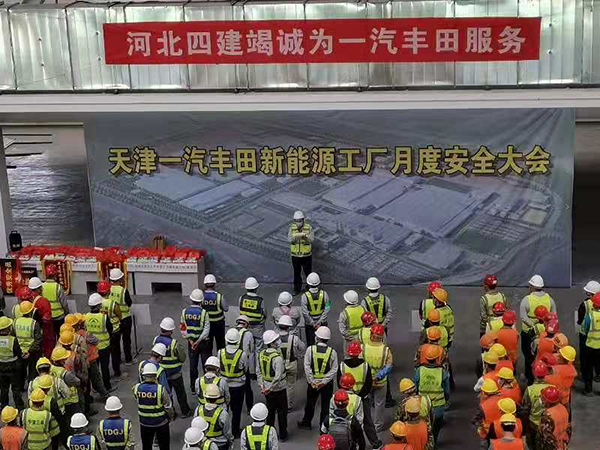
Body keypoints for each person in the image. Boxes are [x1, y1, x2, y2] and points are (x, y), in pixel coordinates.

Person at [338, 341, 381, 450]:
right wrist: (359, 396)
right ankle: (375, 443)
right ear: (359, 353)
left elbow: (340, 383)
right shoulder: (365, 366)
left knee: (346, 421)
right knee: (367, 421)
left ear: (348, 352)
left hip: (347, 399)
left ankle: (347, 443)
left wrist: (350, 395)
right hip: (363, 399)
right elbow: (368, 384)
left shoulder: (342, 366)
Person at [299, 326, 337, 431]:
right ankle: (323, 426)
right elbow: (334, 369)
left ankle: (307, 422)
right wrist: (324, 382)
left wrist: (312, 381)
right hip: (327, 385)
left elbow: (306, 366)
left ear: (317, 338)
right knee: (326, 405)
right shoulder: (332, 352)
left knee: (310, 403)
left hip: (313, 384)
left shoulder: (310, 350)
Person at [519, 275, 556, 384]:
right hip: (545, 333)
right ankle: (543, 376)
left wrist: (533, 325)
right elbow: (554, 316)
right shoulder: (549, 299)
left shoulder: (526, 300)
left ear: (531, 286)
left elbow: (523, 317)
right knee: (543, 355)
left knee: (529, 356)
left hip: (528, 333)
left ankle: (529, 378)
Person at [153, 317, 191, 418]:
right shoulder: (174, 343)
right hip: (175, 374)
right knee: (180, 394)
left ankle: (171, 413)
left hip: (162, 374)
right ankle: (185, 412)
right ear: (171, 331)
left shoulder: (156, 340)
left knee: (167, 395)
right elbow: (182, 358)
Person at [133, 364, 174, 450]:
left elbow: (137, 399)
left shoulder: (137, 388)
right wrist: (170, 417)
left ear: (144, 376)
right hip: (161, 423)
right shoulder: (160, 389)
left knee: (146, 446)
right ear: (155, 375)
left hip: (144, 423)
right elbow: (168, 407)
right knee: (164, 446)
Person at [257, 330, 287, 441]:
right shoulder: (277, 357)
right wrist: (271, 388)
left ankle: (269, 434)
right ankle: (283, 435)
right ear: (272, 343)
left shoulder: (261, 354)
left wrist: (262, 386)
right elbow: (278, 376)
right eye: (276, 340)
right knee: (282, 412)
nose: (278, 341)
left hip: (266, 388)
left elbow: (258, 371)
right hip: (279, 388)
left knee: (270, 412)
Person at [414, 346, 449, 443]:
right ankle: (433, 442)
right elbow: (447, 390)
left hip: (423, 405)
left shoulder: (419, 370)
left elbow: (415, 386)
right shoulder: (442, 372)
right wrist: (446, 399)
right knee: (436, 428)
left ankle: (425, 443)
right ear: (438, 358)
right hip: (438, 406)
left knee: (424, 427)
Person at [362, 324, 392, 432]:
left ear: (371, 334)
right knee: (379, 404)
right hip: (381, 382)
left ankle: (366, 424)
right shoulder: (385, 350)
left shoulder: (364, 348)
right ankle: (377, 426)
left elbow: (361, 365)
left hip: (367, 382)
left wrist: (369, 377)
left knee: (366, 403)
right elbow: (388, 366)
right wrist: (378, 376)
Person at [218, 329, 246, 439]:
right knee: (237, 410)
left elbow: (218, 367)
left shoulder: (220, 352)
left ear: (226, 340)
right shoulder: (242, 354)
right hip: (238, 386)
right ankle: (235, 431)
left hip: (223, 384)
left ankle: (223, 430)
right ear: (238, 341)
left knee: (223, 409)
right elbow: (245, 368)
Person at [180, 289, 210, 391]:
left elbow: (183, 328)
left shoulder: (184, 312)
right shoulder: (204, 313)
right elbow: (206, 330)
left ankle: (193, 387)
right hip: (203, 343)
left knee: (193, 366)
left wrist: (191, 341)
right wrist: (198, 341)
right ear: (201, 301)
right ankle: (207, 386)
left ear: (191, 299)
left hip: (191, 343)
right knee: (206, 365)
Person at [85, 294, 113, 393]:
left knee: (94, 369)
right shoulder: (104, 317)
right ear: (99, 306)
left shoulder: (86, 317)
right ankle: (107, 386)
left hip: (92, 348)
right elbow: (110, 329)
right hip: (104, 347)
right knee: (105, 368)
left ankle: (96, 387)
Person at [522, 361, 553, 449]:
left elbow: (526, 406)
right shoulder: (551, 388)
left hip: (534, 422)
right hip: (547, 423)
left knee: (533, 444)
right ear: (546, 374)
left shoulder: (530, 389)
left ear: (534, 374)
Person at [277, 315, 305, 411]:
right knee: (290, 386)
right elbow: (302, 347)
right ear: (289, 327)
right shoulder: (294, 338)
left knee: (279, 386)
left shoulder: (275, 338)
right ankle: (289, 405)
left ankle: (279, 405)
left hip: (279, 365)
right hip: (292, 364)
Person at [98, 280, 124, 381]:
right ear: (108, 291)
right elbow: (120, 315)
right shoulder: (113, 304)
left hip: (103, 332)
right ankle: (117, 372)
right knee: (115, 353)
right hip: (114, 330)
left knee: (104, 358)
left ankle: (105, 376)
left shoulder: (97, 302)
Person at [193, 384, 232, 450]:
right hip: (220, 444)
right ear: (217, 398)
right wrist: (230, 440)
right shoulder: (223, 413)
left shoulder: (198, 410)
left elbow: (195, 427)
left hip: (203, 444)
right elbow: (227, 432)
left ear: (205, 396)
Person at [108, 268, 133, 367]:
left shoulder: (108, 290)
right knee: (126, 340)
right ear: (120, 279)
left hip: (114, 319)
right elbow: (129, 303)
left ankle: (118, 360)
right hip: (125, 318)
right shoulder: (123, 291)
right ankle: (128, 359)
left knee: (115, 342)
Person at [577, 280, 600, 384]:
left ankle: (585, 375)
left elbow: (580, 321)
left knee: (585, 357)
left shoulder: (584, 304)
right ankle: (598, 374)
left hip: (586, 335)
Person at [14, 301, 42, 384]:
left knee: (20, 372)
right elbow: (38, 339)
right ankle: (31, 385)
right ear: (31, 311)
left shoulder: (15, 322)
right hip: (32, 352)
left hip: (19, 352)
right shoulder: (34, 323)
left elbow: (13, 337)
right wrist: (30, 351)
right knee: (32, 372)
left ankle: (20, 386)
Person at [25, 281, 54, 359]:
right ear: (39, 289)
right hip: (44, 330)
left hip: (29, 332)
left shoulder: (26, 299)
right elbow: (47, 319)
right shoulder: (43, 301)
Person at [50, 347, 81, 421]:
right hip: (71, 401)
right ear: (61, 360)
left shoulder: (50, 368)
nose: (66, 359)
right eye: (65, 358)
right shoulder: (66, 374)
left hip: (60, 401)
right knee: (75, 419)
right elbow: (77, 382)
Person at [0, 317, 24, 411]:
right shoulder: (13, 340)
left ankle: (4, 407)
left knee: (4, 389)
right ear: (7, 329)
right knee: (16, 389)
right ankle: (19, 407)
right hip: (13, 367)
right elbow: (18, 352)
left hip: (1, 367)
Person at [301, 272, 330, 347]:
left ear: (308, 283)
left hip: (310, 324)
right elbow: (327, 308)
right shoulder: (325, 294)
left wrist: (313, 323)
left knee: (310, 344)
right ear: (318, 283)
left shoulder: (304, 296)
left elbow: (305, 313)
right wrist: (320, 322)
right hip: (322, 323)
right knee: (323, 342)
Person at [289, 210, 314, 295]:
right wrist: (295, 237)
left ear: (303, 220)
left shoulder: (309, 227)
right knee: (296, 273)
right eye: (296, 221)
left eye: (300, 220)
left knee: (308, 273)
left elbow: (311, 239)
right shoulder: (292, 228)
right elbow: (289, 239)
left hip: (306, 256)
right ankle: (297, 289)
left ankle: (310, 289)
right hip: (295, 256)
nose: (298, 222)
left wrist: (305, 237)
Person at [472, 378, 502, 448]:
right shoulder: (503, 399)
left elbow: (475, 420)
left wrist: (480, 427)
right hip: (503, 430)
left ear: (484, 392)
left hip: (488, 433)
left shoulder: (483, 406)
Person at [239, 278, 266, 353]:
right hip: (258, 327)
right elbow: (265, 313)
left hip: (245, 326)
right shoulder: (260, 300)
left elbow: (240, 310)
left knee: (247, 348)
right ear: (256, 288)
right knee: (258, 348)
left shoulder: (241, 298)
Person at [202, 274, 228, 352]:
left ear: (205, 285)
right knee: (220, 344)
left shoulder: (201, 296)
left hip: (206, 324)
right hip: (219, 324)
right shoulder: (219, 296)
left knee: (208, 346)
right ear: (214, 285)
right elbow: (226, 309)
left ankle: (209, 359)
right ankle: (220, 358)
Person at [41, 265, 68, 337]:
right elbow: (64, 303)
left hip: (47, 317)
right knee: (61, 336)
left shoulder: (42, 286)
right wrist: (67, 313)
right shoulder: (58, 287)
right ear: (55, 275)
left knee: (51, 336)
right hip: (59, 316)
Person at [235, 316, 254, 413]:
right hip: (244, 365)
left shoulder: (231, 332)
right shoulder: (249, 334)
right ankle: (249, 408)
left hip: (232, 364)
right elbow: (251, 352)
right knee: (247, 388)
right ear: (246, 324)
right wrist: (252, 370)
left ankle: (236, 408)